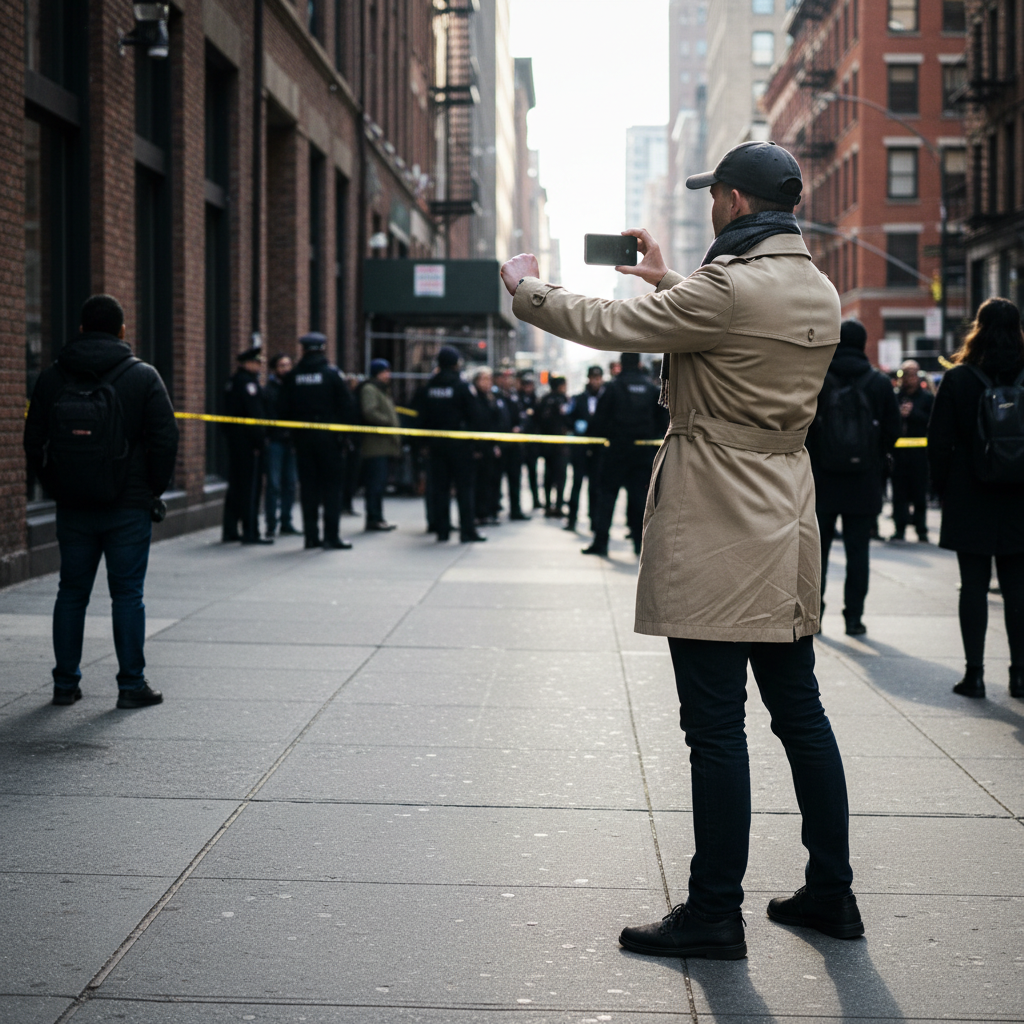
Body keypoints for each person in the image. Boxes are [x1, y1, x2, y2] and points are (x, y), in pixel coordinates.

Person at [501, 139, 862, 958]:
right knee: (800, 713)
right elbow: (727, 327)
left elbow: (612, 324)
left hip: (717, 518)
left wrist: (530, 290)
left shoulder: (729, 287)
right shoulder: (815, 285)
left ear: (733, 201)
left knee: (713, 725)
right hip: (786, 513)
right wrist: (671, 278)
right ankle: (831, 892)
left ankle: (714, 913)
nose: (709, 205)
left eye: (714, 195)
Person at [24, 293, 178, 709]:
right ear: (122, 330)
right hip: (127, 507)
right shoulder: (143, 376)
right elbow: (165, 440)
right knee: (127, 593)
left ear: (79, 329)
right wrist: (151, 490)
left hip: (73, 506)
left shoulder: (53, 377)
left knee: (71, 592)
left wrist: (56, 484)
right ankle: (131, 685)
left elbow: (33, 440)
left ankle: (64, 684)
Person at [927, 297, 1024, 700]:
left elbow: (939, 442)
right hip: (1020, 496)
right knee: (1018, 589)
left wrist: (943, 489)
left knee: (974, 586)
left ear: (977, 329)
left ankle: (975, 674)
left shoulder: (960, 379)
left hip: (971, 492)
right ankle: (1020, 675)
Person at [808, 320, 900, 636]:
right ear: (863, 343)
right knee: (858, 553)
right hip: (864, 480)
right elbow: (893, 432)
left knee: (816, 550)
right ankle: (854, 618)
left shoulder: (819, 378)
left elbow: (803, 427)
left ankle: (813, 614)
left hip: (822, 480)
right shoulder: (879, 382)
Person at [584, 353, 665, 556]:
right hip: (642, 454)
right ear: (638, 364)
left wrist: (594, 446)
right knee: (639, 500)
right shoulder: (650, 389)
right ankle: (639, 545)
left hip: (616, 452)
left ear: (621, 365)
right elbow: (662, 422)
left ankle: (601, 542)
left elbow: (599, 421)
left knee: (607, 497)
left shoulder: (613, 387)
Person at [279, 332, 355, 550]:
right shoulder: (332, 375)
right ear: (322, 349)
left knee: (309, 488)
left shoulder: (293, 376)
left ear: (303, 350)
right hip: (330, 440)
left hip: (302, 440)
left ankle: (311, 537)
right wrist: (344, 435)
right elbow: (347, 406)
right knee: (332, 489)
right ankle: (332, 536)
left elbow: (283, 408)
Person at [413, 346, 486, 543]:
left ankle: (442, 530)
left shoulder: (428, 387)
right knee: (464, 489)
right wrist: (476, 445)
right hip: (461, 446)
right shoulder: (462, 387)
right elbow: (475, 416)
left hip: (436, 446)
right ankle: (467, 530)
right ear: (456, 364)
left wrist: (423, 444)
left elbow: (419, 418)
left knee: (440, 489)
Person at [222, 345, 271, 545]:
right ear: (246, 363)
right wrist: (260, 442)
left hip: (236, 442)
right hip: (249, 444)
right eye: (256, 362)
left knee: (236, 486)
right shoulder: (247, 384)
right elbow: (255, 416)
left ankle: (231, 530)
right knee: (250, 487)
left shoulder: (233, 382)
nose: (259, 366)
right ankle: (251, 532)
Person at [890, 359, 934, 542]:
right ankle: (899, 528)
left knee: (919, 494)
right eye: (905, 374)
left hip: (919, 454)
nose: (909, 378)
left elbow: (932, 422)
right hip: (899, 455)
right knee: (899, 494)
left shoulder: (926, 398)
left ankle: (921, 529)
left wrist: (913, 413)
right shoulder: (895, 397)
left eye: (912, 374)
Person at [358, 358, 400, 532]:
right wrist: (388, 423)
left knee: (380, 483)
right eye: (385, 371)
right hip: (375, 446)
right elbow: (369, 411)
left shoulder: (382, 390)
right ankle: (373, 518)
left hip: (383, 445)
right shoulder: (370, 389)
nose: (388, 374)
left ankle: (378, 517)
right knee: (375, 484)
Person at [564, 365, 605, 532]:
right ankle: (572, 519)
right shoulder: (579, 398)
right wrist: (575, 425)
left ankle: (594, 521)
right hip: (580, 447)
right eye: (593, 378)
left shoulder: (606, 398)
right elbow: (568, 417)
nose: (595, 381)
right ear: (588, 378)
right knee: (577, 483)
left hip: (597, 448)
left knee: (595, 486)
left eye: (598, 378)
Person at [263, 353, 299, 538]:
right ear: (274, 369)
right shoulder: (269, 390)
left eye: (288, 365)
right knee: (274, 485)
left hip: (291, 443)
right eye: (281, 365)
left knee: (290, 484)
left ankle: (286, 522)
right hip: (275, 442)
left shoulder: (293, 388)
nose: (285, 369)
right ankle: (271, 524)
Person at [495, 368, 530, 520]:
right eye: (505, 378)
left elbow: (523, 417)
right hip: (501, 444)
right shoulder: (495, 396)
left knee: (515, 479)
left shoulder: (515, 397)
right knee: (495, 479)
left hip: (515, 445)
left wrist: (520, 428)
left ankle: (515, 509)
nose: (507, 381)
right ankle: (493, 508)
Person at [534, 375, 571, 516]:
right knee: (560, 477)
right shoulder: (563, 400)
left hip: (547, 445)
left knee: (549, 476)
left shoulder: (544, 400)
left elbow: (537, 420)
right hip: (560, 445)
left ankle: (549, 505)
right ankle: (558, 505)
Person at [470, 367, 502, 526]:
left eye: (489, 379)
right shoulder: (473, 398)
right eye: (484, 379)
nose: (487, 382)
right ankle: (478, 513)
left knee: (490, 481)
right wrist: (476, 447)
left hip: (490, 446)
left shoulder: (492, 398)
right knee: (478, 483)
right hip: (478, 447)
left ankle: (489, 510)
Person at [517, 372, 542, 510]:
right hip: (520, 442)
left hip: (532, 441)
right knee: (517, 475)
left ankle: (536, 499)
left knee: (533, 473)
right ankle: (518, 504)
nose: (528, 388)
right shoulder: (518, 399)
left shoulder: (535, 400)